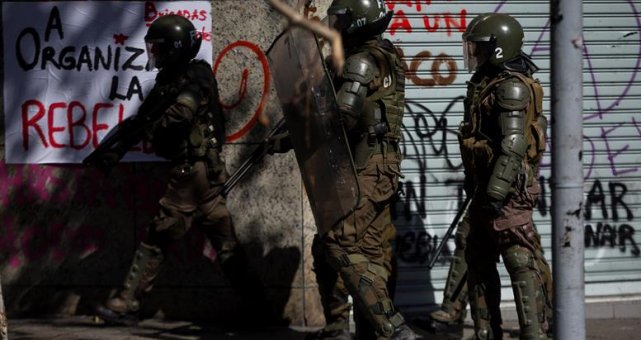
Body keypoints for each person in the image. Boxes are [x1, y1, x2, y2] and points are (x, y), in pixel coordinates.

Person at [89, 15, 263, 326]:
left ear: (175, 48)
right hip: (206, 174)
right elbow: (146, 118)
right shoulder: (175, 78)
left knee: (159, 235)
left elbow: (182, 111)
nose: (153, 53)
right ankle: (260, 307)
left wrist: (154, 130)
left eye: (158, 47)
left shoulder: (194, 77)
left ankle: (126, 304)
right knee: (225, 242)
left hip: (191, 174)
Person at [270, 1, 417, 338]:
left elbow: (339, 118)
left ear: (357, 22)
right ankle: (345, 327)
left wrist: (293, 137)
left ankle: (391, 328)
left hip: (366, 168)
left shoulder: (362, 62)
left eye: (339, 20)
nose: (334, 25)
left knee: (340, 243)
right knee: (356, 251)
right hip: (367, 167)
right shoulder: (381, 53)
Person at [457, 12, 552, 339]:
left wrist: (496, 192)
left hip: (508, 191)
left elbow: (513, 145)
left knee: (519, 260)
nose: (475, 53)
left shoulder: (511, 87)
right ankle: (486, 331)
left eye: (480, 47)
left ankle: (535, 333)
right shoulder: (487, 81)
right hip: (487, 189)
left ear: (498, 48)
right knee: (477, 259)